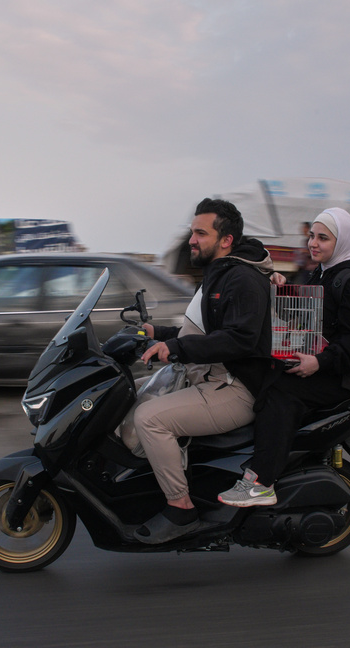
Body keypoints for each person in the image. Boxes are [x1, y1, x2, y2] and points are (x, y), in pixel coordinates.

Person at [217, 207, 350, 507]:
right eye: (311, 236)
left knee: (279, 390)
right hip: (326, 360)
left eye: (323, 238)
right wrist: (279, 291)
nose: (313, 243)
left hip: (346, 374)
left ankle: (261, 481)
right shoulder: (324, 272)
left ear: (342, 242)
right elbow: (311, 318)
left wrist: (318, 363)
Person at [133, 197, 274, 543]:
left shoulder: (242, 278)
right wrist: (158, 335)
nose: (192, 240)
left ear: (226, 240)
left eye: (200, 233)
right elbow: (202, 330)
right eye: (192, 231)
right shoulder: (219, 272)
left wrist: (177, 348)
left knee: (149, 419)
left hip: (235, 389)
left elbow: (240, 339)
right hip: (208, 376)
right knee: (126, 395)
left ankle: (180, 507)